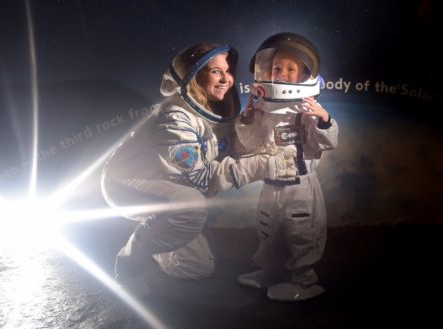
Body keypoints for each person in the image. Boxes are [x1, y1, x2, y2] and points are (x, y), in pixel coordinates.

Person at [100, 43, 276, 295]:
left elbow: (230, 153)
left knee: (194, 268)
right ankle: (128, 264)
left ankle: (160, 230)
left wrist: (256, 133)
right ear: (194, 76)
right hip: (127, 184)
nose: (226, 78)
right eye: (215, 71)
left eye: (228, 71)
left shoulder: (212, 110)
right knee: (191, 203)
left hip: (170, 184)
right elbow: (201, 180)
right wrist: (262, 165)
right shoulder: (174, 118)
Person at [235, 32, 339, 302]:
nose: (281, 73)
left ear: (305, 75)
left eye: (290, 69)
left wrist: (324, 119)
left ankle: (304, 281)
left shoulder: (308, 110)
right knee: (268, 232)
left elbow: (328, 142)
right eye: (276, 67)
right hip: (271, 185)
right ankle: (269, 273)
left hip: (299, 187)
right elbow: (252, 143)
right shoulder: (264, 109)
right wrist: (247, 119)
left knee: (301, 234)